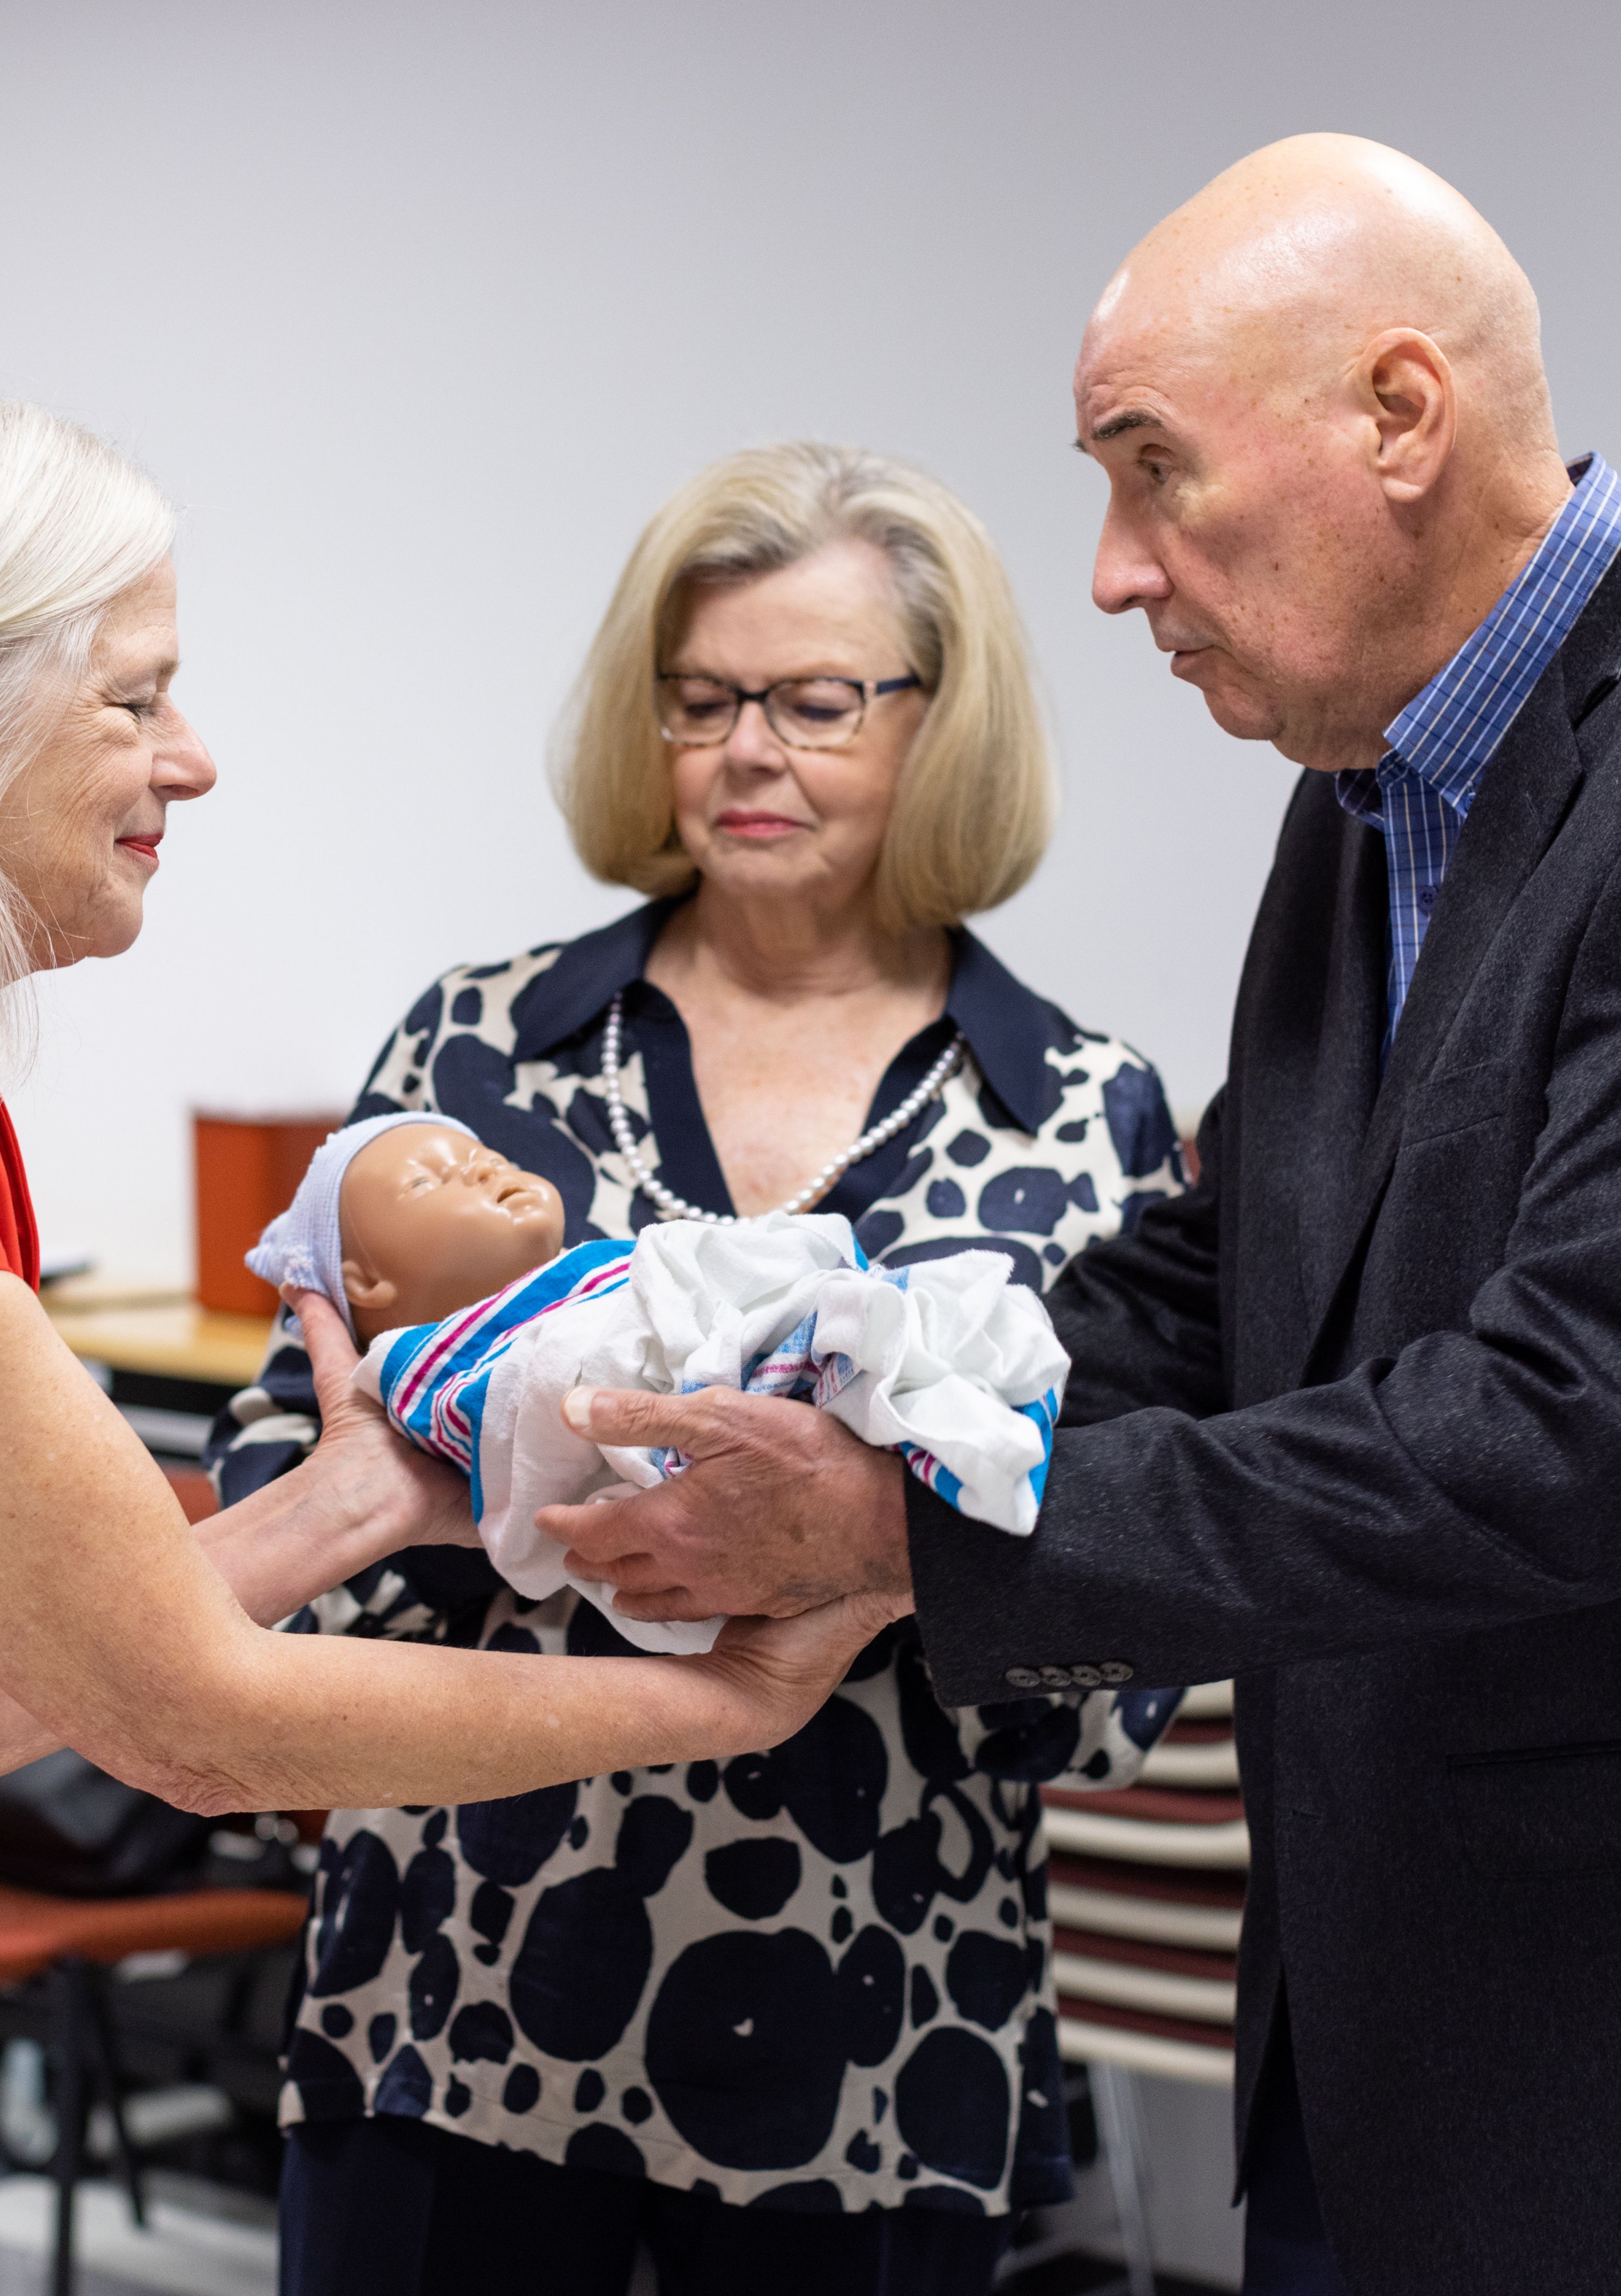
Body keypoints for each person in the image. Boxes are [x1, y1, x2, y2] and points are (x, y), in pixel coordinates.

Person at [550, 137, 1621, 2296]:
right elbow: (1226, 1281)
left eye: (1151, 471)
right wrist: (875, 1397)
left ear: (1398, 416)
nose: (1112, 572)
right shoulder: (1375, 777)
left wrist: (902, 1536)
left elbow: (1569, 1431)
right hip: (1375, 2013)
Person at [0, 380, 893, 2296]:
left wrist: (346, 1500)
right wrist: (735, 1701)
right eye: (131, 696)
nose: (186, 761)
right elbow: (189, 1717)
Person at [211, 441, 1189, 2295]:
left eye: (816, 701)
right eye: (700, 700)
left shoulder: (1078, 1109)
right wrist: (493, 1506)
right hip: (457, 1993)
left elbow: (1128, 1646)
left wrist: (853, 1550)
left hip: (877, 2026)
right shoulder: (485, 1042)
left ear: (940, 725)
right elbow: (286, 1451)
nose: (748, 750)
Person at [243, 1109, 1068, 1651]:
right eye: (429, 1181)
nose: (480, 1166)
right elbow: (544, 1425)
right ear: (365, 1285)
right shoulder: (429, 1373)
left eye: (480, 1152)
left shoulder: (593, 1271)